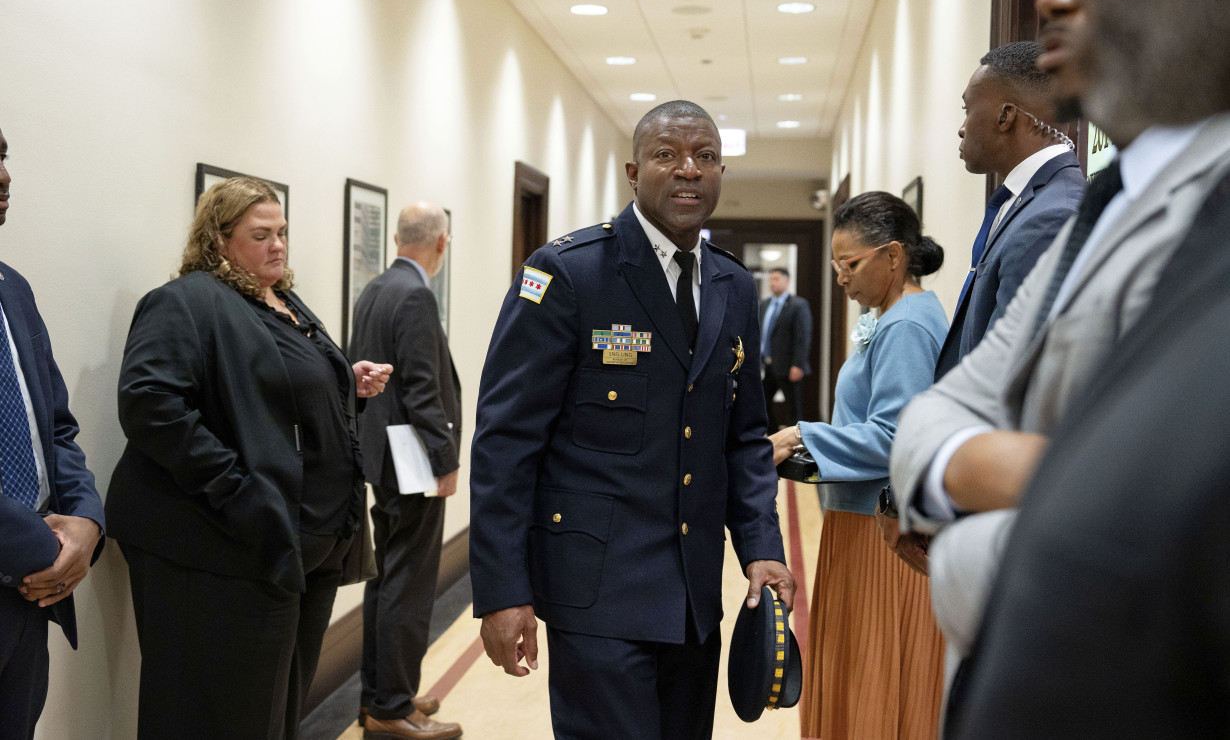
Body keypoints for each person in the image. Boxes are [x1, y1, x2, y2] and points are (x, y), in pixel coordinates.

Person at [889, 0, 1230, 724]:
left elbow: (1126, 555)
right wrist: (1029, 475)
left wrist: (969, 541)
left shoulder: (1072, 207)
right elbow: (936, 415)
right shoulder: (1106, 204)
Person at [469, 99, 796, 739]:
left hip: (694, 597)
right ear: (632, 170)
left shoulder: (731, 286)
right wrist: (504, 590)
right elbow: (505, 443)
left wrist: (760, 547)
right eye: (667, 155)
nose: (688, 171)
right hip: (595, 592)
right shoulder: (567, 273)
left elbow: (744, 438)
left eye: (705, 156)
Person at [106, 177, 391, 740]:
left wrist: (342, 382)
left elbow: (268, 386)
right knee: (218, 714)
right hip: (224, 545)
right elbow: (150, 405)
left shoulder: (280, 298)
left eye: (281, 231)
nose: (278, 245)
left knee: (273, 710)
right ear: (218, 239)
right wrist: (240, 491)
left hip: (299, 548)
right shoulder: (186, 301)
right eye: (261, 235)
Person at [768, 191, 947, 740]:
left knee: (874, 678)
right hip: (860, 523)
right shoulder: (892, 315)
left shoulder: (907, 326)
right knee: (856, 671)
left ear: (893, 257)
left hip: (883, 535)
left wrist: (802, 433)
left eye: (850, 265)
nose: (841, 279)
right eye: (834, 266)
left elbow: (897, 436)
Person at [0, 125, 105, 740]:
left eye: (4, 157)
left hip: (29, 603)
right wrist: (50, 553)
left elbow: (56, 429)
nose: (4, 175)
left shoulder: (13, 289)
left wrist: (86, 524)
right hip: (35, 567)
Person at [349, 202, 462, 740]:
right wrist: (445, 461)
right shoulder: (415, 294)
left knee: (388, 580)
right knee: (409, 587)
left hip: (380, 456)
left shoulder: (375, 288)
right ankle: (392, 708)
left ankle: (381, 696)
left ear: (396, 237)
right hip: (412, 462)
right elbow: (422, 389)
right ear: (441, 244)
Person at [933, 41, 1084, 380]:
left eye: (967, 109)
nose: (962, 127)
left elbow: (1012, 373)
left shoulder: (1052, 215)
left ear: (1006, 116)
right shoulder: (1025, 201)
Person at [758, 267, 812, 429]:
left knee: (793, 408)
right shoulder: (765, 304)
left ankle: (795, 446)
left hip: (789, 366)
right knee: (761, 403)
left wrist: (798, 364)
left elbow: (803, 337)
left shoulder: (798, 305)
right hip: (768, 365)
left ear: (786, 282)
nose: (772, 283)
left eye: (776, 279)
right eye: (770, 279)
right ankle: (774, 437)